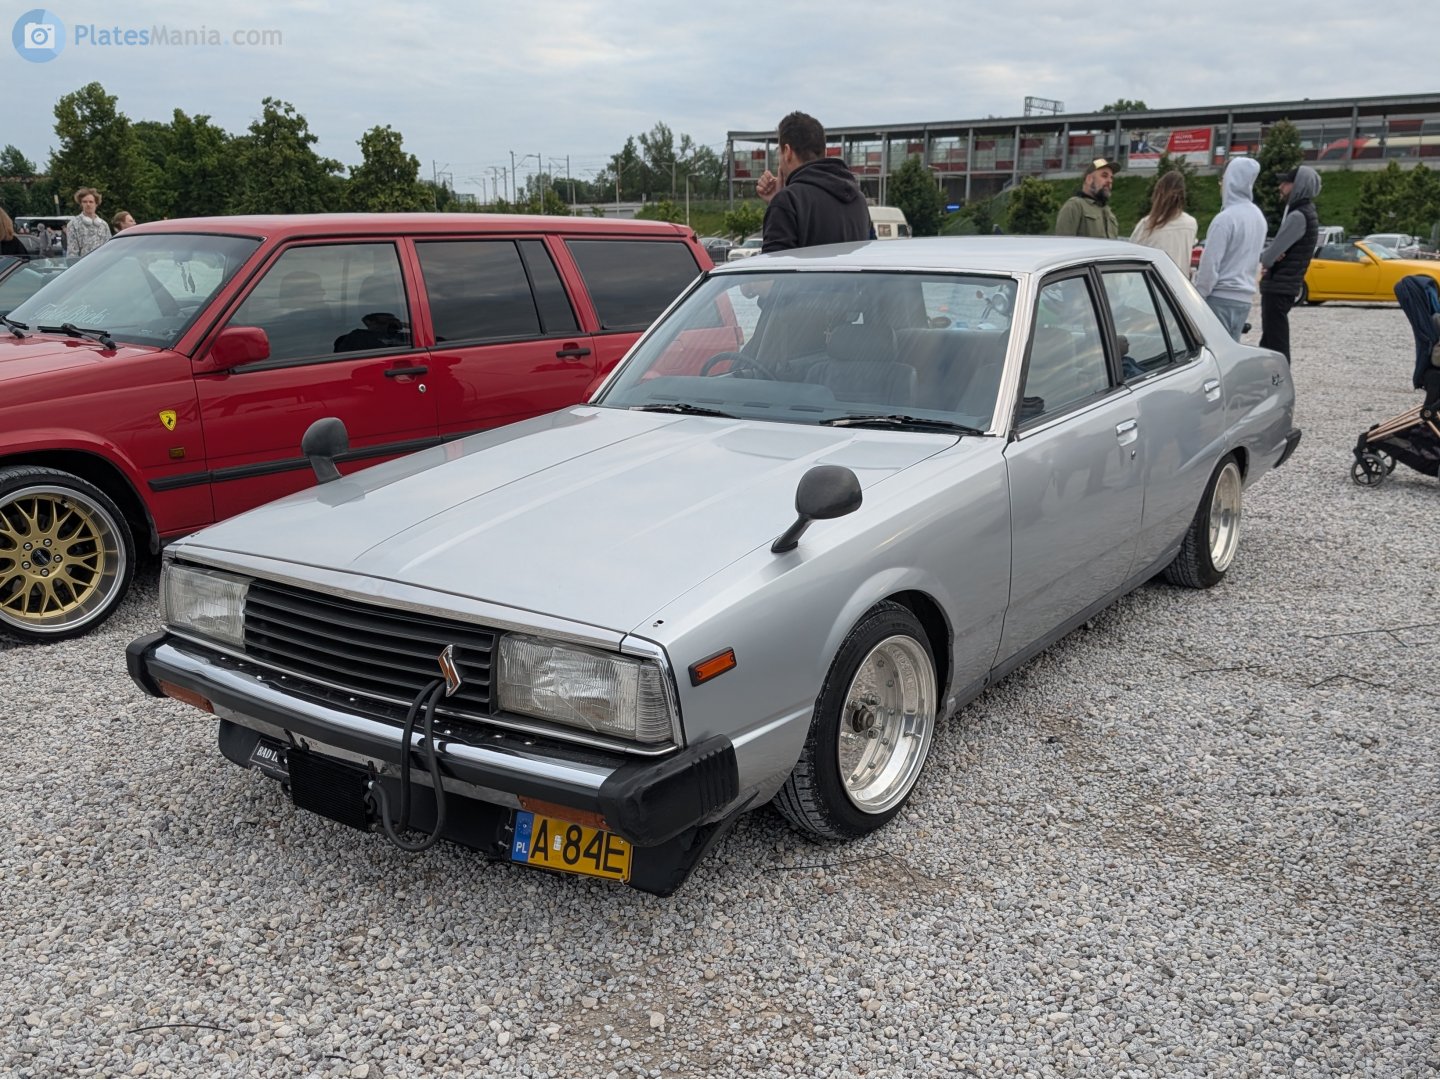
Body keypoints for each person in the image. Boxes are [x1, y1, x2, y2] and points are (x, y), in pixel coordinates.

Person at [754, 111, 870, 253]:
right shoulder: (859, 200)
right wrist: (777, 200)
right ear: (824, 152)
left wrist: (779, 204)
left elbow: (774, 270)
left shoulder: (789, 201)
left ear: (787, 151)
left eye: (779, 151)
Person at [1193, 156, 1268, 341]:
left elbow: (1210, 265)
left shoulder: (1225, 218)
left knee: (1213, 356)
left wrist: (1197, 297)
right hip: (1244, 299)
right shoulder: (1258, 216)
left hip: (1219, 298)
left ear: (1231, 180)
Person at [1258, 166, 1321, 363]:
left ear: (1298, 185)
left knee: (1275, 341)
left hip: (1279, 285)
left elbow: (1269, 256)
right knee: (1270, 338)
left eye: (1286, 182)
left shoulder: (1297, 216)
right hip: (1287, 284)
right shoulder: (1307, 212)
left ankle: (1279, 381)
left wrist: (1270, 256)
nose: (1280, 186)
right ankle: (1268, 381)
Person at [1129, 171, 1197, 276]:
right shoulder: (1191, 224)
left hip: (1152, 288)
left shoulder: (1146, 225)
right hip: (1180, 287)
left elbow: (1130, 258)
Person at [1055, 158, 1119, 238]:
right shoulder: (1074, 206)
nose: (1110, 181)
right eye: (1104, 176)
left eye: (1111, 178)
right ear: (1089, 179)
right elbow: (1064, 245)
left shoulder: (1109, 213)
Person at [65, 187, 112, 258]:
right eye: (85, 202)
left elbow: (109, 248)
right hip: (83, 266)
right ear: (81, 204)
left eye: (91, 202)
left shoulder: (104, 225)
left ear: (96, 204)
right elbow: (72, 253)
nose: (88, 204)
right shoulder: (73, 224)